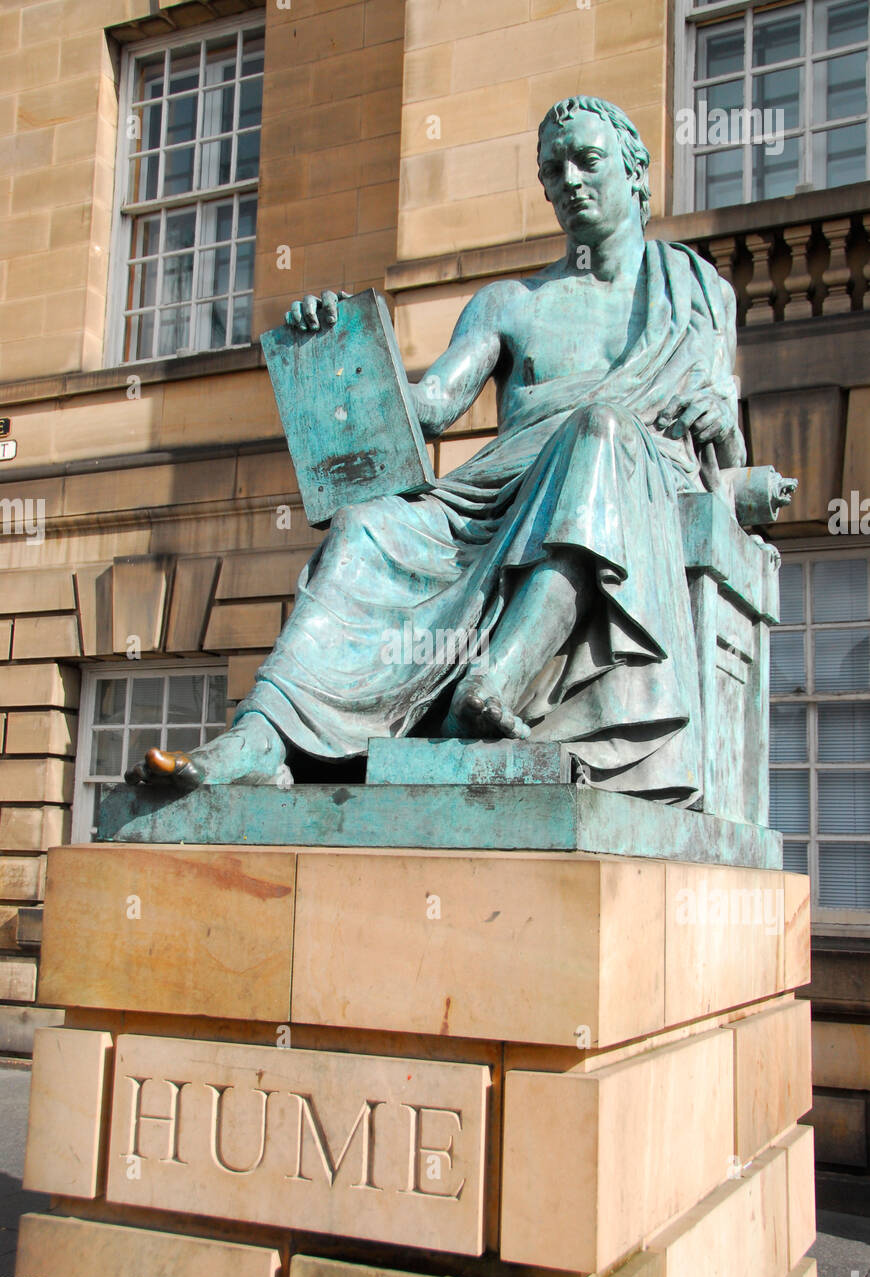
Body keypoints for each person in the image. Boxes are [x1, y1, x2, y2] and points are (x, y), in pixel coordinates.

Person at [128, 95, 746, 806]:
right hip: (496, 496)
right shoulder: (510, 302)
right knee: (367, 528)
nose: (570, 180)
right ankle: (263, 735)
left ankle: (495, 682)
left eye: (588, 159)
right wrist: (338, 348)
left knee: (599, 430)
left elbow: (727, 458)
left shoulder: (697, 293)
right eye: (553, 169)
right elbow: (427, 409)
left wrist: (722, 423)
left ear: (636, 171)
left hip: (624, 482)